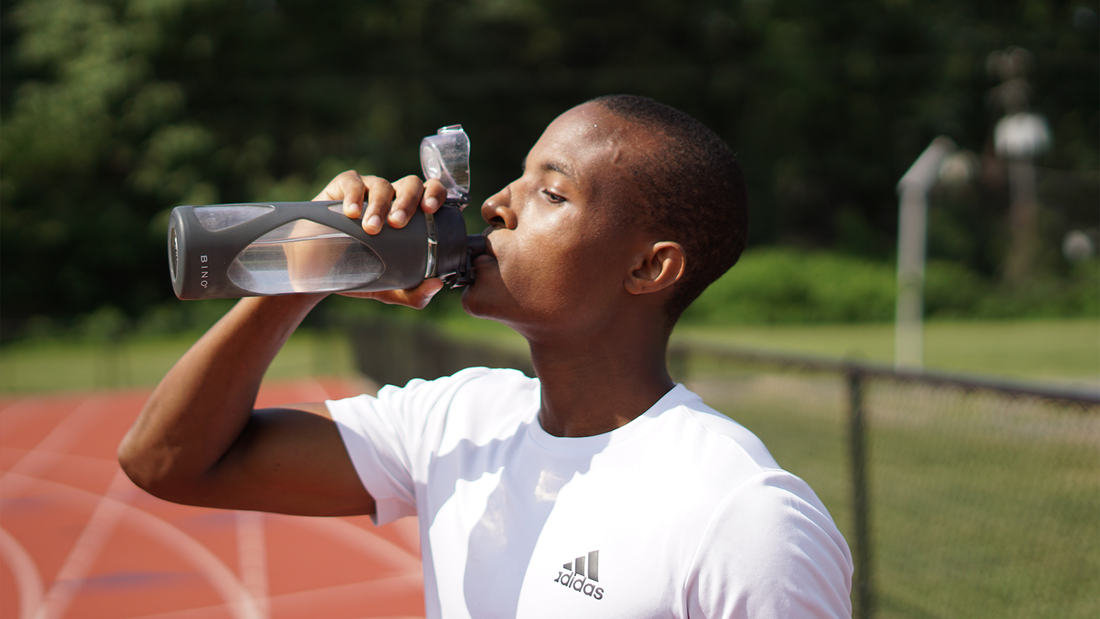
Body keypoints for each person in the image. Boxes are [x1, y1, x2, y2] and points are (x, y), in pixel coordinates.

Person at [119, 95, 853, 617]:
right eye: (517, 177)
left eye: (552, 193)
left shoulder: (743, 514)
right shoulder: (459, 418)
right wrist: (308, 263)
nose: (498, 204)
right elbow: (167, 460)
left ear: (647, 269)